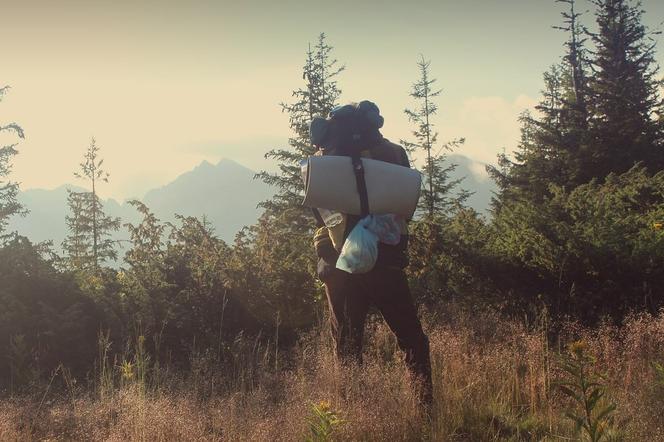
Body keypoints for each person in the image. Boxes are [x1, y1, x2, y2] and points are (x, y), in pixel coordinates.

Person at [309, 100, 433, 405]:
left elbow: (317, 213)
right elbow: (406, 207)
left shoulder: (322, 161)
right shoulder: (392, 154)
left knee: (347, 347)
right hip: (384, 261)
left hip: (338, 264)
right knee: (411, 339)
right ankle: (425, 411)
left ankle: (351, 418)